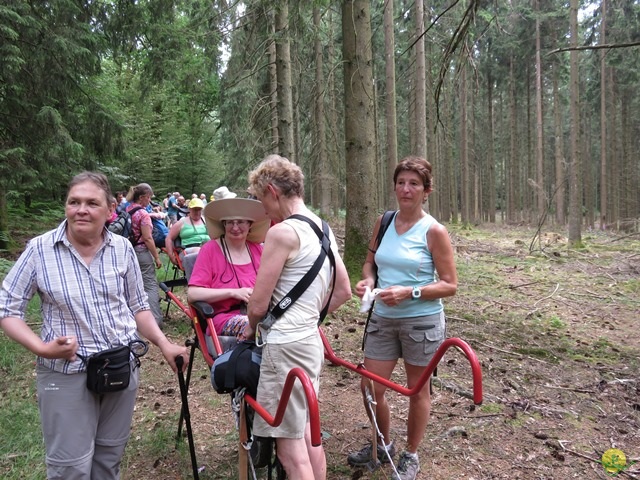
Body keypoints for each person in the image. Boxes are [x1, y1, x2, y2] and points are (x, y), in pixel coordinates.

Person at [0, 171, 189, 480]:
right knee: (69, 468)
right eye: (74, 202)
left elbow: (138, 305)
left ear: (109, 210)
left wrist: (164, 343)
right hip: (66, 374)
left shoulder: (122, 248)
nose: (81, 209)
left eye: (91, 202)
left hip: (120, 368)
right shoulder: (40, 250)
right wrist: (42, 348)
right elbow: (7, 309)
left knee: (107, 460)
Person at [347, 156, 458, 480]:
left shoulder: (434, 230)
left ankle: (410, 454)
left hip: (421, 323)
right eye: (401, 182)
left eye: (414, 184)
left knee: (417, 391)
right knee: (370, 386)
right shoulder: (384, 221)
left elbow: (449, 284)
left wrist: (409, 292)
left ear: (426, 191)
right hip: (382, 316)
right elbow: (370, 262)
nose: (405, 189)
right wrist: (368, 280)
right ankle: (382, 443)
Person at [245, 155, 352, 480]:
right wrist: (309, 317)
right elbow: (343, 291)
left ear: (273, 191)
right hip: (308, 343)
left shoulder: (282, 233)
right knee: (307, 431)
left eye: (262, 198)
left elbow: (258, 306)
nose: (263, 209)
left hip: (284, 348)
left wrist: (250, 330)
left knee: (288, 449)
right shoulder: (323, 228)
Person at [187, 193, 269, 340]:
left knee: (287, 324)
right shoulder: (210, 250)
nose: (235, 227)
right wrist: (233, 293)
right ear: (223, 224)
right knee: (263, 327)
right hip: (224, 317)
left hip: (259, 313)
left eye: (241, 222)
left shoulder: (258, 250)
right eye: (230, 222)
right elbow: (193, 294)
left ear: (250, 224)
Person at [127, 183, 164, 326]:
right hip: (142, 252)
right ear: (142, 197)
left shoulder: (127, 209)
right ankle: (155, 321)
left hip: (129, 252)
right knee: (150, 285)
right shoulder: (143, 214)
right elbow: (147, 238)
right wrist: (156, 257)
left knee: (134, 286)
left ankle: (135, 319)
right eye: (149, 197)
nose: (150, 200)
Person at [164, 197, 210, 279]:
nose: (197, 212)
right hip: (188, 250)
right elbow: (169, 238)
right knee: (198, 251)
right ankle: (198, 281)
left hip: (207, 248)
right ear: (189, 209)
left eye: (199, 209)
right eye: (195, 209)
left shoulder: (206, 221)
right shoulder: (181, 222)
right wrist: (171, 255)